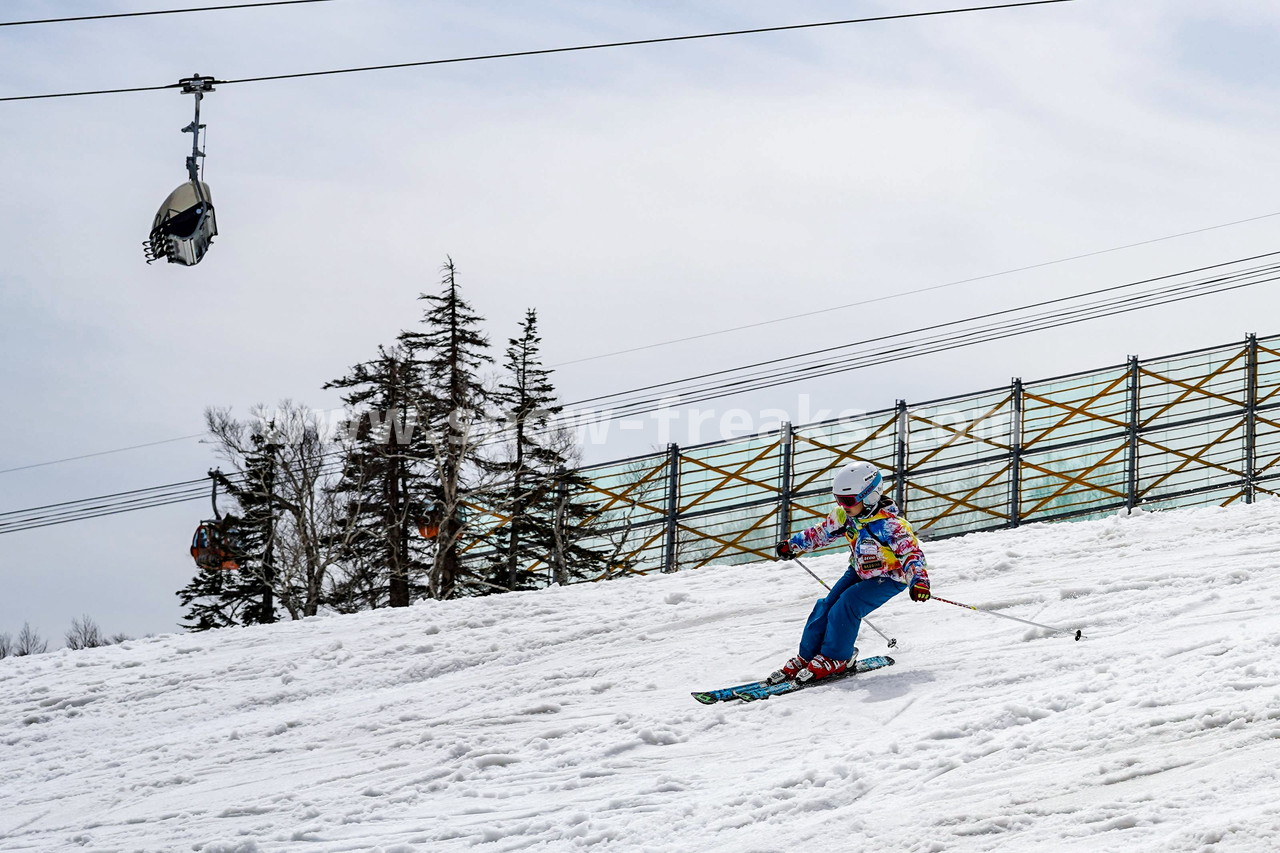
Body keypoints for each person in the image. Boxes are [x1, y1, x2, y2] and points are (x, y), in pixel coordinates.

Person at [771, 461, 930, 684]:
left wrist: (919, 582)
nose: (843, 505)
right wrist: (794, 545)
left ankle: (838, 658)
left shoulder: (891, 526)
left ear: (870, 496)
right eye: (838, 499)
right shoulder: (845, 517)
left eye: (848, 500)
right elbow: (821, 533)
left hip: (889, 578)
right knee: (825, 605)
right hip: (859, 571)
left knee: (847, 604)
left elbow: (912, 555)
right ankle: (807, 657)